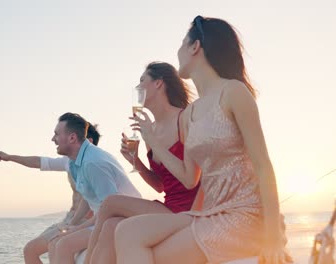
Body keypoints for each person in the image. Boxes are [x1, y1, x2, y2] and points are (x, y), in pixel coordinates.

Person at [114, 16, 292, 264]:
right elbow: (189, 178)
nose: (177, 52)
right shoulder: (189, 115)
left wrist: (273, 235)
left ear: (195, 46)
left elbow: (263, 165)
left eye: (181, 44)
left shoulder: (233, 93)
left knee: (151, 254)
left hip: (243, 215)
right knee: (126, 231)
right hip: (208, 213)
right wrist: (151, 140)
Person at [83, 62, 200, 264]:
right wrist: (135, 161)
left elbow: (192, 179)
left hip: (189, 210)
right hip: (169, 206)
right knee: (111, 225)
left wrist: (152, 139)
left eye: (142, 81)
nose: (137, 88)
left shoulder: (185, 119)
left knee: (111, 202)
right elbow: (161, 185)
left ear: (158, 83)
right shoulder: (150, 130)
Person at [0, 123, 100, 264]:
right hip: (70, 218)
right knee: (30, 250)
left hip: (85, 221)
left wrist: (75, 226)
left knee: (53, 245)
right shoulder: (69, 162)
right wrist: (9, 157)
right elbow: (39, 162)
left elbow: (100, 201)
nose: (54, 139)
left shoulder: (94, 165)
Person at [46, 112, 141, 264]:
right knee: (53, 243)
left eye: (57, 134)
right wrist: (72, 224)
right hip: (103, 218)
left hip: (122, 219)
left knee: (63, 245)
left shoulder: (93, 162)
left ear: (72, 138)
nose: (53, 139)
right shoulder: (75, 160)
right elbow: (88, 196)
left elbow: (111, 208)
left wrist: (77, 229)